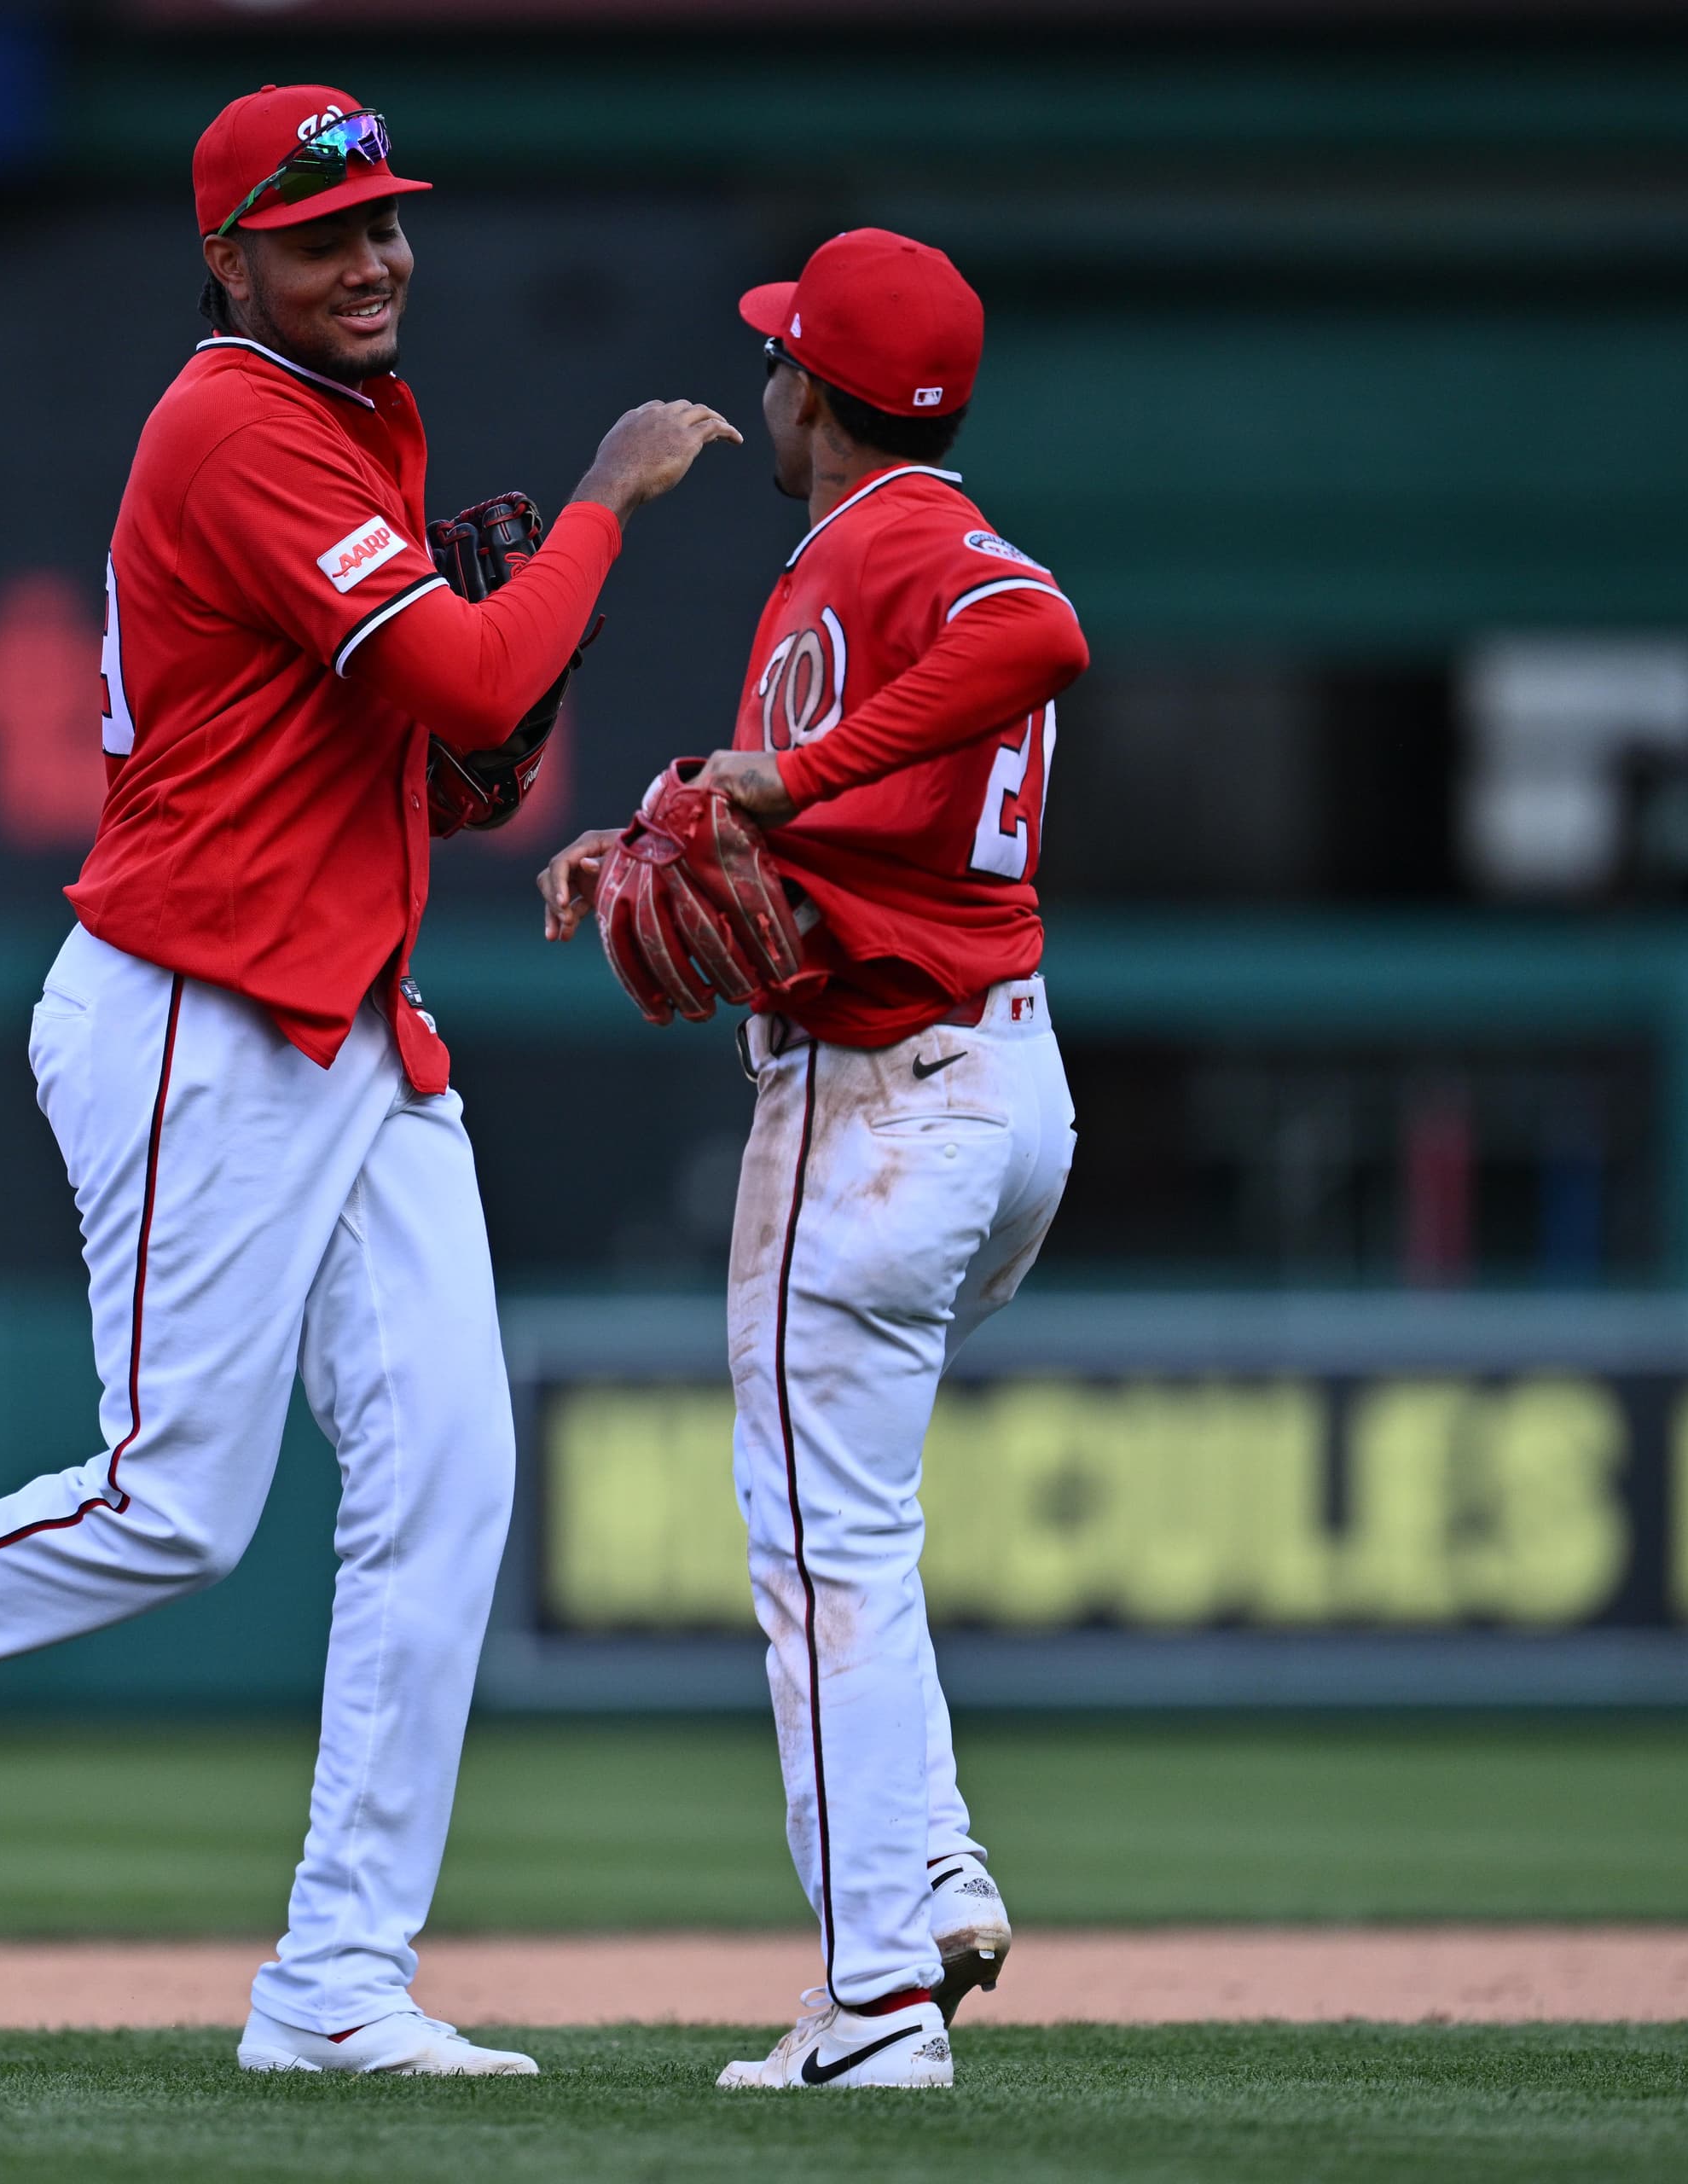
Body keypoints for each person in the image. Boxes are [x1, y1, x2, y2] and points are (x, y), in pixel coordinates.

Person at [0, 83, 738, 2078]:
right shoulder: (230, 423)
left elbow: (433, 746)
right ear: (230, 261)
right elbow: (471, 683)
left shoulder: (344, 421)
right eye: (322, 235)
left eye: (385, 221)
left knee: (454, 1472)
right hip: (192, 1016)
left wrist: (458, 741)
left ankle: (334, 1984)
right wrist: (603, 505)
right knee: (173, 1505)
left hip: (351, 1021)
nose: (373, 257)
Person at [541, 229, 1088, 2091]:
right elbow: (820, 804)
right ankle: (926, 1868)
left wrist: (786, 774)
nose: (769, 381)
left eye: (786, 361)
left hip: (886, 1103)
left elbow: (1040, 629)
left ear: (823, 399)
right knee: (864, 1517)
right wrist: (659, 819)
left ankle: (870, 2008)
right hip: (998, 1083)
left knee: (819, 1546)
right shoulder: (869, 559)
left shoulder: (895, 543)